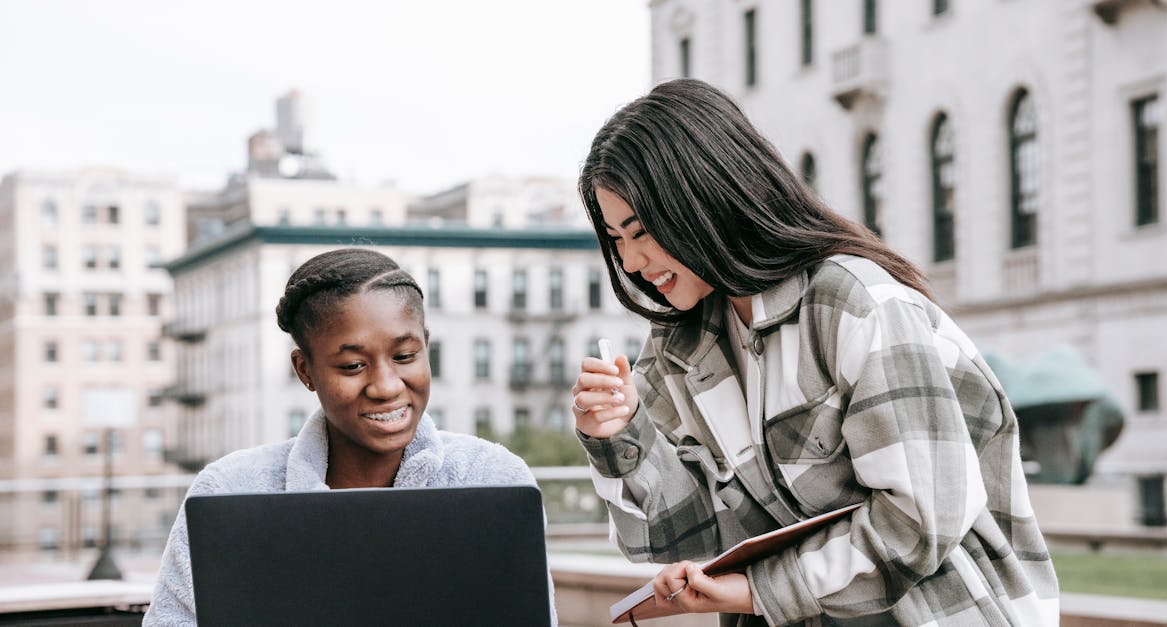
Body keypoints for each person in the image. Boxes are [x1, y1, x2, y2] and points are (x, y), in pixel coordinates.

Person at [571, 78, 1059, 626]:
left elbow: (921, 520)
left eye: (641, 231)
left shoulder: (855, 304)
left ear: (703, 198)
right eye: (616, 239)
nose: (630, 262)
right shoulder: (677, 347)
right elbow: (672, 535)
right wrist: (619, 434)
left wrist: (753, 590)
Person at [145, 248, 549, 625]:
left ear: (425, 347)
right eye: (353, 365)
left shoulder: (492, 477)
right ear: (305, 371)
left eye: (405, 357)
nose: (386, 386)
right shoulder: (229, 489)